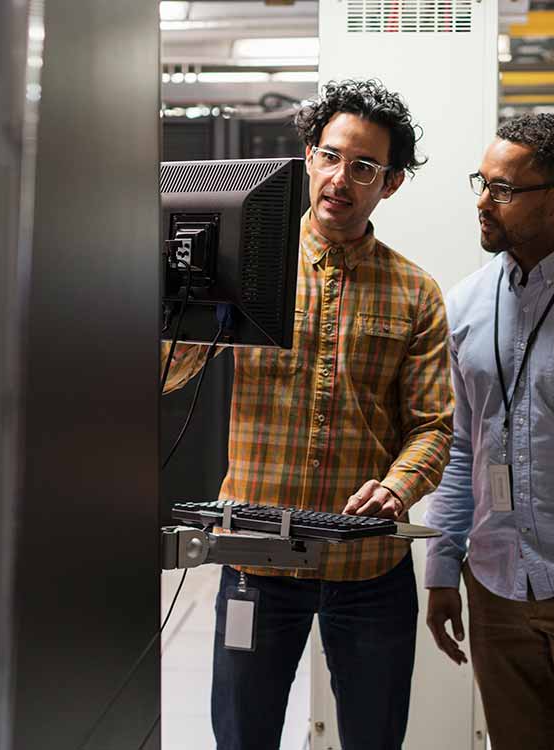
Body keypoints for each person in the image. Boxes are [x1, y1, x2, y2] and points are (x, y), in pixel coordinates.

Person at [163, 79, 454, 750]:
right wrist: (182, 297)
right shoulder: (246, 266)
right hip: (254, 561)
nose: (339, 179)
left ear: (392, 183)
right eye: (329, 157)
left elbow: (433, 425)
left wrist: (398, 486)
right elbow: (167, 377)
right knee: (242, 738)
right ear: (307, 158)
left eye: (363, 167)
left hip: (367, 571)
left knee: (373, 739)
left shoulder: (415, 292)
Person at [424, 113, 554, 750]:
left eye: (504, 190)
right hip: (493, 585)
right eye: (481, 184)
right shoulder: (462, 306)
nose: (483, 203)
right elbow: (464, 447)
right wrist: (441, 567)